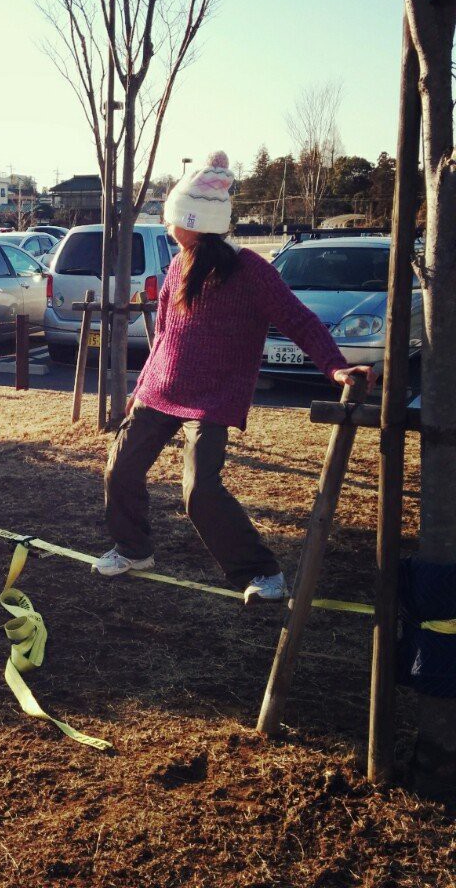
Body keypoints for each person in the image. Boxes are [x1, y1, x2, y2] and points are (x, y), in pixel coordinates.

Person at [95, 151, 375, 604]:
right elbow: (164, 333)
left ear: (195, 220)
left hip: (212, 398)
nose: (168, 229)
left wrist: (335, 366)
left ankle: (262, 572)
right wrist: (140, 386)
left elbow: (299, 320)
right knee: (120, 468)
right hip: (160, 389)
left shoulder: (251, 271)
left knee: (200, 492)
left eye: (174, 220)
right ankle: (133, 548)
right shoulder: (176, 265)